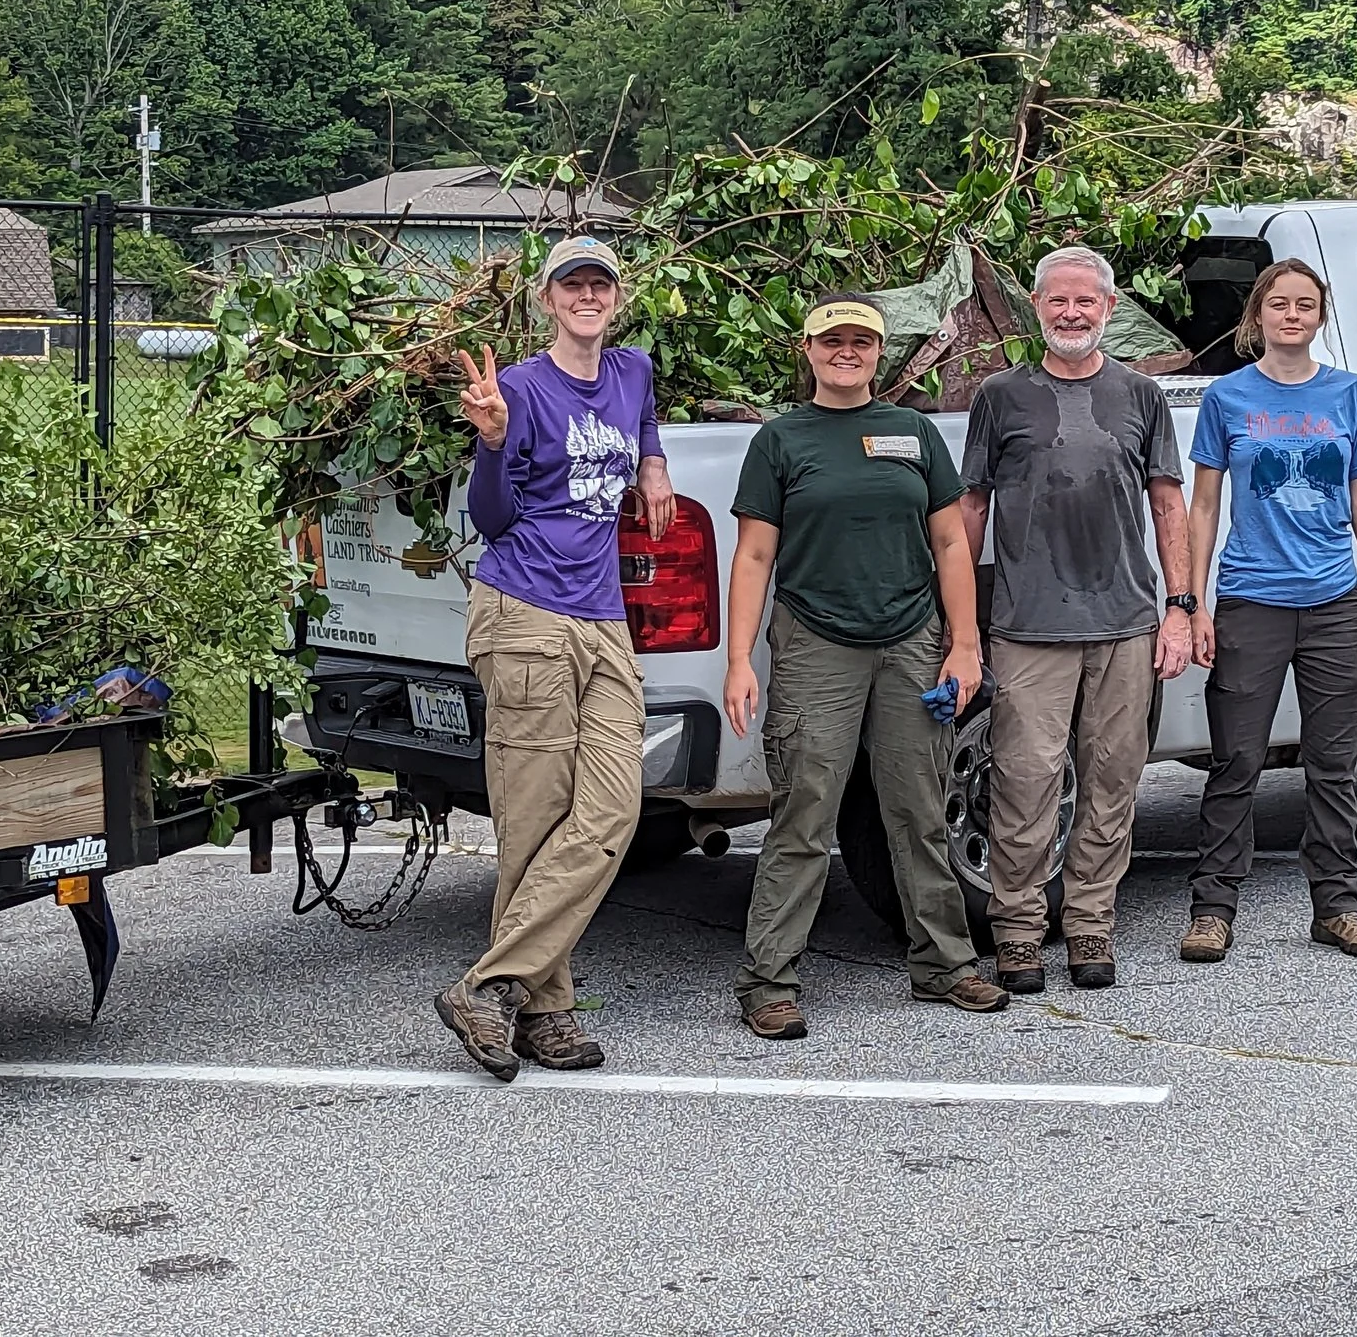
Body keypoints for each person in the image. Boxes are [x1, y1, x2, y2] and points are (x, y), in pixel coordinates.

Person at [721, 293, 1010, 1038]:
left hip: (912, 640)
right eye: (831, 340)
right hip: (817, 642)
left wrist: (964, 642)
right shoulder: (782, 441)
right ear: (808, 350)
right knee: (804, 812)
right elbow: (754, 555)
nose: (846, 351)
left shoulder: (912, 433)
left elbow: (952, 543)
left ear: (880, 353)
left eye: (861, 341)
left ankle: (944, 965)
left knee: (916, 808)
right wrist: (738, 661)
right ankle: (769, 981)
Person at [432, 234, 675, 1081]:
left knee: (611, 813)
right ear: (546, 300)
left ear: (616, 297)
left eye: (599, 284)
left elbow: (642, 423)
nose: (587, 296)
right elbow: (493, 520)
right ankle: (548, 1012)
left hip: (605, 619)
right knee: (535, 825)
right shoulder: (525, 390)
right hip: (526, 612)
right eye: (571, 285)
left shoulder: (634, 370)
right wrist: (494, 440)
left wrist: (653, 465)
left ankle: (489, 987)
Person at [961, 245, 1191, 994]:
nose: (1071, 313)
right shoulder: (1000, 396)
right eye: (1057, 301)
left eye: (1085, 302)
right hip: (1028, 625)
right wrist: (958, 618)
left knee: (1112, 779)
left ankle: (1091, 925)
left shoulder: (1141, 396)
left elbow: (1167, 502)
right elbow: (971, 508)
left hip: (1126, 620)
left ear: (1108, 308)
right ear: (1036, 307)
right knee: (1025, 783)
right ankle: (1019, 932)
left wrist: (1180, 609)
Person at [1180, 258, 1357, 966]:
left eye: (1306, 305)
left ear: (1320, 316)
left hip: (1335, 601)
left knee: (1333, 765)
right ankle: (1213, 909)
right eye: (1280, 304)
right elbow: (1205, 504)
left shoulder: (1348, 394)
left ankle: (1337, 907)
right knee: (1235, 761)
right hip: (1250, 600)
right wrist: (1195, 601)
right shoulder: (1228, 399)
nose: (1292, 316)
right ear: (1258, 315)